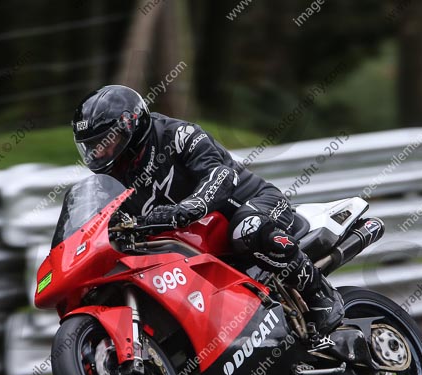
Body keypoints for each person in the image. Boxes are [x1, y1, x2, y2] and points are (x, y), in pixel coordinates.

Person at [71, 85, 343, 335]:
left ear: (130, 125)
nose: (99, 153)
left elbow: (221, 175)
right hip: (196, 242)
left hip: (253, 204)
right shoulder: (111, 182)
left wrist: (189, 208)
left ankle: (320, 294)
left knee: (247, 229)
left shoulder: (177, 134)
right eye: (92, 147)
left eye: (106, 142)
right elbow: (95, 222)